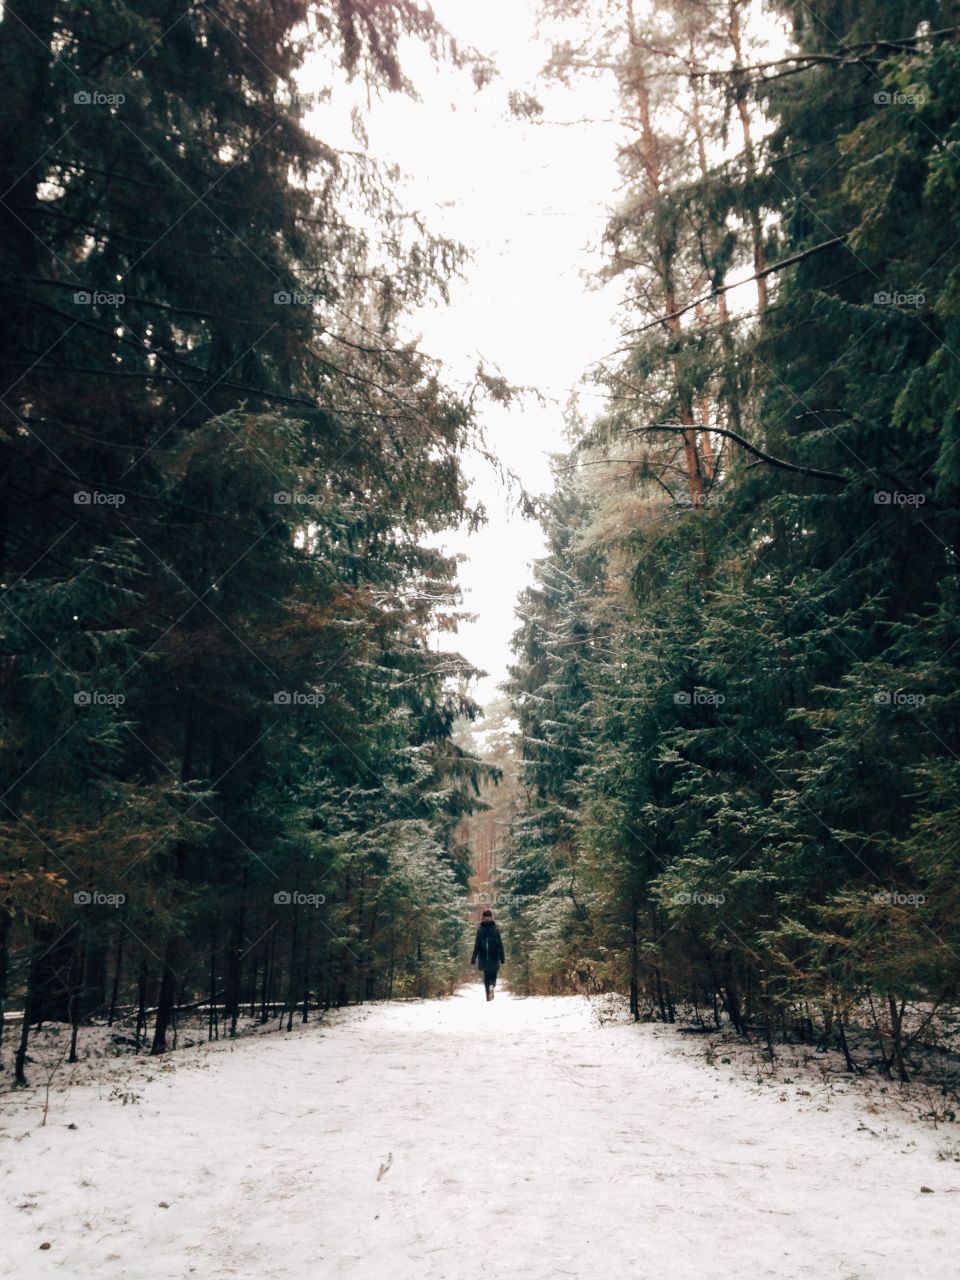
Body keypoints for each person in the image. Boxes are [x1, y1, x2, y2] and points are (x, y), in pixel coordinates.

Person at [471, 907, 505, 1001]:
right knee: (493, 975)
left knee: (486, 976)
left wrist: (473, 958)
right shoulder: (495, 929)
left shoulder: (480, 929)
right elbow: (500, 944)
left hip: (483, 957)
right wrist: (502, 958)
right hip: (494, 957)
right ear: (491, 917)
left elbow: (477, 945)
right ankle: (492, 987)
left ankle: (487, 994)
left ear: (483, 918)